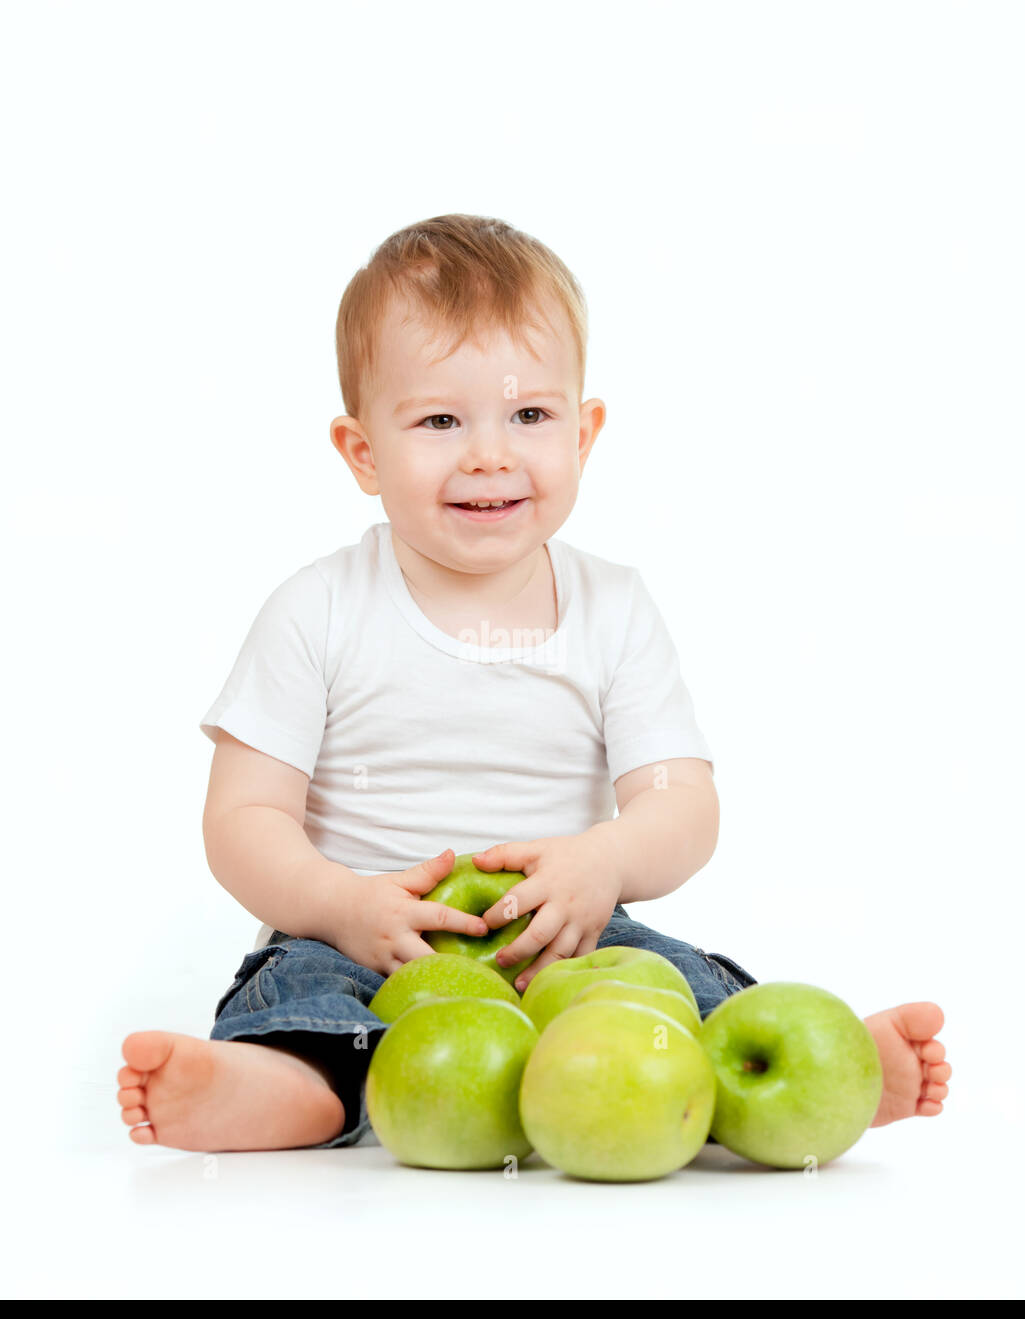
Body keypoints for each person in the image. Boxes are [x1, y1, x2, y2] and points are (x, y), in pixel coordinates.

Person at [116, 214, 951, 1154]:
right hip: (366, 942)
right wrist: (341, 903)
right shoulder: (317, 610)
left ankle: (791, 1084)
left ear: (584, 432)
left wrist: (606, 861)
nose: (489, 455)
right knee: (310, 1000)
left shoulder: (614, 609)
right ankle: (284, 1085)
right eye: (438, 420)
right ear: (362, 454)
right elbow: (242, 820)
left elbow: (680, 804)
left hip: (567, 935)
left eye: (529, 415)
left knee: (671, 986)